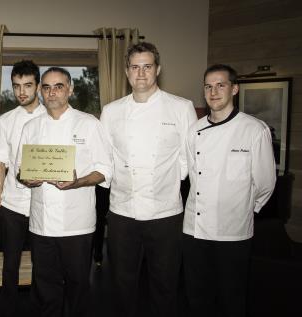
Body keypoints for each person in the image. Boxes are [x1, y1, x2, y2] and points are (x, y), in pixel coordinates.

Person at [100, 42, 198, 316]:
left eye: (147, 66)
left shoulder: (181, 107)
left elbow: (189, 157)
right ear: (126, 72)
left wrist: (167, 182)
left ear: (158, 69)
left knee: (165, 286)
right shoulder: (111, 111)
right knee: (121, 286)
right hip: (122, 213)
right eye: (135, 67)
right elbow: (106, 158)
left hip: (165, 213)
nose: (141, 73)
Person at [17, 67, 113, 317]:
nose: (52, 92)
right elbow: (20, 170)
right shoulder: (31, 127)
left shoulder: (89, 124)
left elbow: (105, 170)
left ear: (70, 89)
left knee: (78, 288)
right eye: (46, 87)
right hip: (41, 225)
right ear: (40, 91)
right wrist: (28, 178)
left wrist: (78, 181)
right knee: (45, 289)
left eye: (58, 86)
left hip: (76, 225)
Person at [182, 64, 276, 316]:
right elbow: (192, 175)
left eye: (220, 85)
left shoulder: (255, 130)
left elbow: (266, 183)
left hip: (233, 233)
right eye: (208, 86)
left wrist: (245, 209)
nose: (213, 92)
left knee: (231, 298)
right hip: (195, 230)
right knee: (197, 296)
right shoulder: (194, 130)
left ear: (234, 89)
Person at [0, 60, 46, 316]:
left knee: (43, 264)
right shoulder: (4, 121)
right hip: (12, 204)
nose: (21, 92)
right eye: (16, 86)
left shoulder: (52, 117)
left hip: (44, 203)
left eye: (27, 85)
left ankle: (39, 308)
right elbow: (0, 161)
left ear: (38, 85)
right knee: (10, 265)